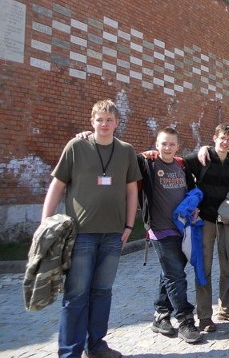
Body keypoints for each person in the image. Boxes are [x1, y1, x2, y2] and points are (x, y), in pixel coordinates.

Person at [41, 99, 141, 358]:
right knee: (76, 294)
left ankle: (96, 345)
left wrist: (130, 225)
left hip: (114, 233)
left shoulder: (126, 150)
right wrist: (45, 222)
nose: (104, 124)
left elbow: (132, 190)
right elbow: (58, 185)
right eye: (100, 119)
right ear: (91, 121)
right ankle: (69, 352)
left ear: (117, 123)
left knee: (102, 292)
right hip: (81, 233)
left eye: (109, 120)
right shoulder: (76, 146)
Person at [140, 127, 201, 343]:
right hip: (159, 230)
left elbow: (192, 191)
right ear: (157, 144)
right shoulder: (147, 164)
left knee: (170, 272)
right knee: (176, 275)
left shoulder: (182, 165)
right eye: (163, 143)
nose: (167, 147)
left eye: (171, 144)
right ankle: (185, 319)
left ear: (177, 146)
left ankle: (160, 314)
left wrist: (195, 207)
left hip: (182, 228)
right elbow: (123, 158)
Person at [184, 123, 229, 329]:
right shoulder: (201, 158)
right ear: (214, 137)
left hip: (226, 222)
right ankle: (204, 316)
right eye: (222, 138)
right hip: (206, 221)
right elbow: (180, 165)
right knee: (205, 268)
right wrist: (193, 198)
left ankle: (225, 308)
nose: (225, 142)